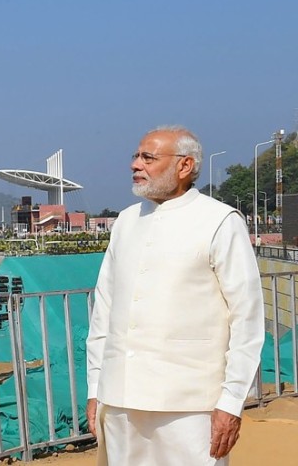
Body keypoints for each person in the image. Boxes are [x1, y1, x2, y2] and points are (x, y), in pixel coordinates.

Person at [85, 126, 264, 465]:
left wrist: (231, 401)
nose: (136, 165)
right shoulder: (124, 222)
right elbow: (103, 313)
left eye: (148, 158)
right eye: (136, 156)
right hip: (121, 399)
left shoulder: (220, 221)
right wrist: (96, 388)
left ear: (184, 166)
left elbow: (247, 319)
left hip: (191, 405)